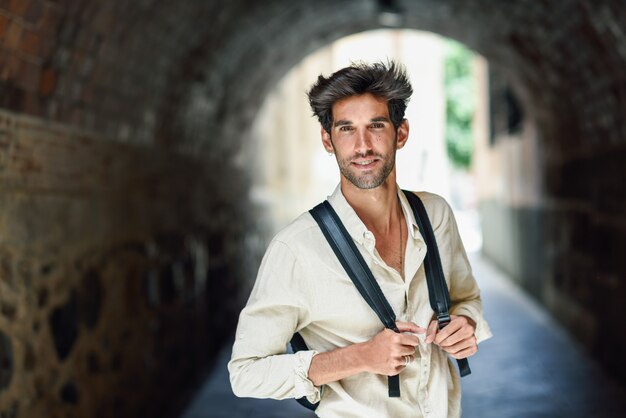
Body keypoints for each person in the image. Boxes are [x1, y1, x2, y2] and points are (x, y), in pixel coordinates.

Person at [228, 61, 492, 418]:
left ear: (401, 133)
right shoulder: (296, 248)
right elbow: (245, 373)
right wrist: (360, 357)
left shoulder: (436, 214)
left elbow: (466, 297)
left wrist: (466, 323)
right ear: (328, 139)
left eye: (376, 126)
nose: (362, 145)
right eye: (347, 129)